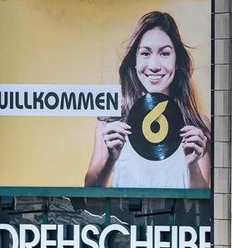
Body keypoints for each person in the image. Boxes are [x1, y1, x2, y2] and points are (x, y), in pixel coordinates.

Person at [85, 11, 213, 190]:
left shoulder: (197, 124)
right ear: (135, 62)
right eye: (145, 53)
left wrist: (193, 166)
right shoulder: (110, 121)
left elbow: (202, 198)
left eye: (165, 54)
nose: (154, 66)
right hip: (125, 210)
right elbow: (90, 190)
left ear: (177, 61)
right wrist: (110, 158)